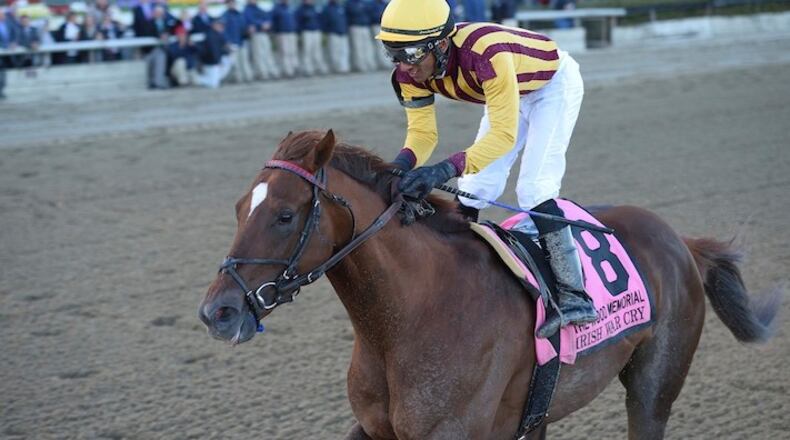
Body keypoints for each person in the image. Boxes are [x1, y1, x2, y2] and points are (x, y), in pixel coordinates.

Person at [377, 0, 594, 338]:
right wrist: (399, 166)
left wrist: (442, 170)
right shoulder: (409, 74)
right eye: (394, 53)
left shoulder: (486, 55)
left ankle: (575, 296)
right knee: (475, 188)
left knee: (534, 188)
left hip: (552, 86)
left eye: (412, 53)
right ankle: (460, 278)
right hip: (506, 93)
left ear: (442, 44)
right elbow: (422, 133)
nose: (405, 66)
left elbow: (503, 137)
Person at [243, 0, 280, 80]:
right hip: (256, 34)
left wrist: (268, 23)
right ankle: (262, 73)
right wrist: (261, 24)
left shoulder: (260, 7)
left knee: (268, 53)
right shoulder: (247, 9)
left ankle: (271, 71)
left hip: (264, 33)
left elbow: (267, 16)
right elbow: (249, 20)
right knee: (259, 54)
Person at [221, 0, 253, 83]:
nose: (232, 5)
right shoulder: (225, 16)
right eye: (230, 3)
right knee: (236, 62)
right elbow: (224, 31)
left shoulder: (239, 14)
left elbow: (244, 27)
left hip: (242, 41)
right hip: (232, 43)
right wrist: (227, 41)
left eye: (233, 3)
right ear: (227, 5)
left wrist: (247, 33)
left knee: (244, 60)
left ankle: (248, 77)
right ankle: (239, 79)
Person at [194, 19, 232, 88]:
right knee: (213, 84)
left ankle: (205, 78)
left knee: (215, 81)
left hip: (212, 61)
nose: (221, 27)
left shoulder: (217, 34)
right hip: (210, 62)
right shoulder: (211, 35)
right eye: (219, 25)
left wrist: (227, 50)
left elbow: (221, 49)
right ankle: (196, 79)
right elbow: (214, 50)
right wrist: (218, 61)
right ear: (214, 25)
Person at [295, 0, 327, 76]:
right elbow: (298, 22)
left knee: (317, 50)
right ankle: (308, 69)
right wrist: (299, 33)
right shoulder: (301, 9)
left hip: (316, 31)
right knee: (307, 51)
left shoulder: (316, 8)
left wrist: (320, 29)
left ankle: (319, 67)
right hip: (307, 32)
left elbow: (320, 19)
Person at [345, 0, 376, 72]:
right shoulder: (350, 3)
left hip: (365, 26)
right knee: (358, 47)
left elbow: (369, 12)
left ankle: (369, 64)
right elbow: (353, 13)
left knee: (368, 47)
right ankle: (361, 65)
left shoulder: (364, 2)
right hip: (355, 26)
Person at [271, 0, 299, 77]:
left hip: (291, 32)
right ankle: (287, 71)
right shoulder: (277, 8)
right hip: (282, 33)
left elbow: (295, 19)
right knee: (284, 52)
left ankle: (294, 68)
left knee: (292, 51)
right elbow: (274, 21)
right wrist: (276, 33)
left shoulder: (290, 8)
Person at [321, 0, 349, 73]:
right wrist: (326, 32)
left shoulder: (341, 7)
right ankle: (336, 68)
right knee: (335, 52)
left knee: (344, 51)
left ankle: (344, 68)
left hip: (343, 32)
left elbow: (345, 19)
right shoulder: (327, 8)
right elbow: (324, 22)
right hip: (333, 33)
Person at [368, 0, 390, 69]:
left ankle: (387, 62)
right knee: (378, 45)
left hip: (385, 26)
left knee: (386, 46)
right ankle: (381, 63)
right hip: (376, 25)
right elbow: (371, 15)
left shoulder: (384, 4)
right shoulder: (372, 4)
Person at [0, 8, 17, 99]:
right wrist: (5, 45)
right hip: (2, 50)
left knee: (3, 73)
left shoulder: (9, 23)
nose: (3, 16)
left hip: (7, 53)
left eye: (3, 15)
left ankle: (1, 91)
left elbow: (15, 33)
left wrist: (13, 42)